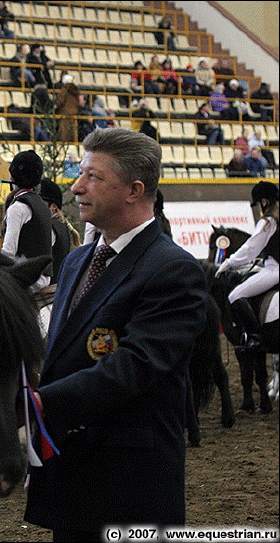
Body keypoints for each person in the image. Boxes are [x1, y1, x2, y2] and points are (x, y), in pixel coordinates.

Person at [24, 127, 208, 541]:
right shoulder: (76, 262)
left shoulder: (172, 270)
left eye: (93, 177)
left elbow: (133, 367)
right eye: (80, 174)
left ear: (134, 190)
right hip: (70, 482)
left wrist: (39, 402)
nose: (76, 187)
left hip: (129, 490)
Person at [216, 181, 278, 353]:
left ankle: (256, 338)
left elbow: (251, 248)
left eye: (259, 203)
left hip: (275, 270)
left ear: (264, 201)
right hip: (271, 264)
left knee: (236, 295)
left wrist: (230, 262)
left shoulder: (269, 221)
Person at [1, 150, 52, 293]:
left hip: (27, 277)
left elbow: (8, 251)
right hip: (45, 275)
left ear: (13, 177)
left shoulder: (17, 208)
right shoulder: (41, 204)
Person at [39, 177, 79, 284]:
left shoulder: (50, 228)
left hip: (46, 294)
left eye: (40, 202)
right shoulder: (60, 225)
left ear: (54, 207)